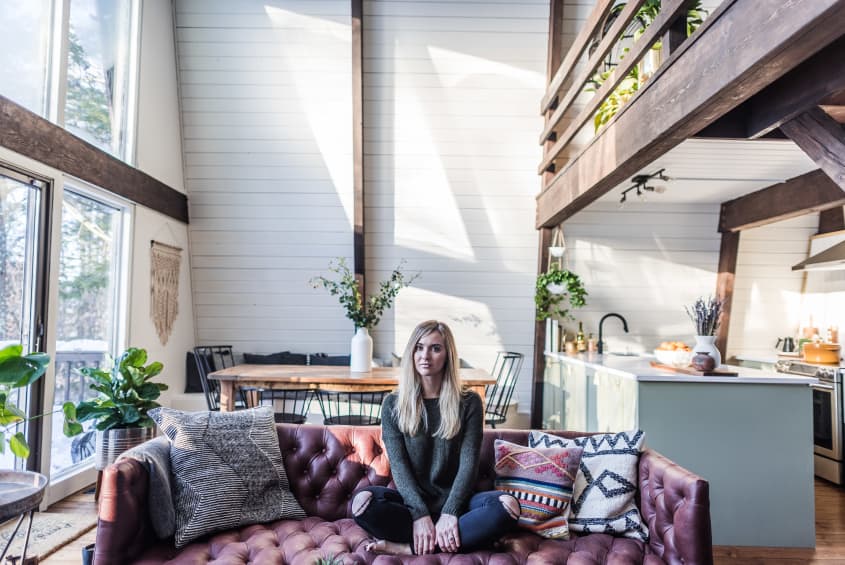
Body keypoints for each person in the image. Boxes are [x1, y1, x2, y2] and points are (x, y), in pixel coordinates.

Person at [352, 320, 520, 555]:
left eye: (435, 348)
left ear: (448, 355)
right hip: (411, 507)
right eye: (419, 347)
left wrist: (450, 512)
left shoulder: (469, 402)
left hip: (459, 506)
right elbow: (399, 468)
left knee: (507, 507)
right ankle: (449, 539)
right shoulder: (393, 404)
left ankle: (408, 548)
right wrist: (420, 515)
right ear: (411, 353)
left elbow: (468, 465)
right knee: (362, 504)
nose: (425, 356)